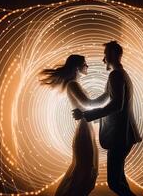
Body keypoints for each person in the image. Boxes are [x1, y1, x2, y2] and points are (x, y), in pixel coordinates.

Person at [73, 41, 142, 196]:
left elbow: (116, 105)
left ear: (111, 55)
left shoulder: (116, 75)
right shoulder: (121, 74)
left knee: (114, 183)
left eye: (105, 56)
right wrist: (87, 105)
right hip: (124, 135)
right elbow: (106, 97)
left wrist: (86, 115)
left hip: (120, 136)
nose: (103, 60)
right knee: (120, 181)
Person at [39, 55, 98, 196]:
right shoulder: (73, 84)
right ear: (78, 67)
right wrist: (110, 98)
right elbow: (88, 103)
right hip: (84, 129)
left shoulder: (75, 84)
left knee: (86, 169)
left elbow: (87, 106)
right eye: (85, 64)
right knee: (85, 169)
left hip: (86, 127)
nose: (87, 66)